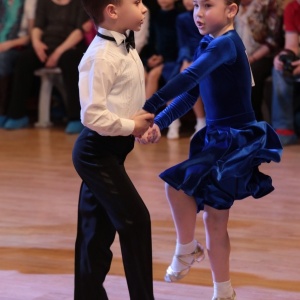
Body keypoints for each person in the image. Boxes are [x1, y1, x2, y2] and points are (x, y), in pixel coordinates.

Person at [137, 0, 282, 299]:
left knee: (177, 187)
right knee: (213, 218)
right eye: (196, 5)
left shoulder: (226, 44)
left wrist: (148, 107)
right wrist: (160, 122)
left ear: (231, 10)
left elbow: (189, 77)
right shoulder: (208, 43)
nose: (199, 13)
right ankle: (223, 290)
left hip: (234, 140)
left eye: (208, 6)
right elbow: (192, 93)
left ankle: (187, 249)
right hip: (218, 138)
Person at [72, 1, 155, 299]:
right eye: (136, 2)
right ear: (112, 11)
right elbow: (91, 116)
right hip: (96, 153)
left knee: (95, 233)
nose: (144, 8)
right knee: (136, 220)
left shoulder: (125, 47)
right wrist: (130, 126)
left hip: (112, 150)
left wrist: (144, 124)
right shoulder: (101, 56)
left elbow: (126, 101)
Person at [3, 0, 90, 134]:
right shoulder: (44, 2)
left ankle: (76, 117)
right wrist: (37, 44)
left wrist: (58, 52)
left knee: (71, 61)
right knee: (23, 60)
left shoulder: (80, 3)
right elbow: (38, 26)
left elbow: (80, 31)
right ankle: (17, 115)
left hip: (69, 46)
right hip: (46, 45)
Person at [234, 0, 283, 121]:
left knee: (252, 73)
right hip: (238, 56)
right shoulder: (232, 7)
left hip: (265, 56)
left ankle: (253, 122)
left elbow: (273, 41)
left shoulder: (268, 5)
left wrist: (251, 58)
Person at [166, 0, 206, 139]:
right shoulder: (182, 18)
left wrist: (194, 60)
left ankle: (201, 122)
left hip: (204, 55)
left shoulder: (206, 15)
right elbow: (182, 42)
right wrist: (185, 60)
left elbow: (208, 39)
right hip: (186, 57)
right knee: (173, 83)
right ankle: (173, 122)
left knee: (191, 81)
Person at [0, 0, 36, 127]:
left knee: (2, 59)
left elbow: (30, 37)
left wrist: (8, 44)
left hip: (17, 47)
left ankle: (2, 111)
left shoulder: (28, 3)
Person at [271, 0, 300, 146]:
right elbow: (292, 45)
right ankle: (284, 130)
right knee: (279, 68)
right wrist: (282, 56)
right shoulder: (293, 8)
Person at [144, 0, 180, 99]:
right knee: (142, 74)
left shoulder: (178, 17)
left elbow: (179, 43)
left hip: (173, 59)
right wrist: (151, 57)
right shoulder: (155, 16)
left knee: (153, 75)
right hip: (158, 57)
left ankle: (147, 111)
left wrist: (163, 58)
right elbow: (151, 40)